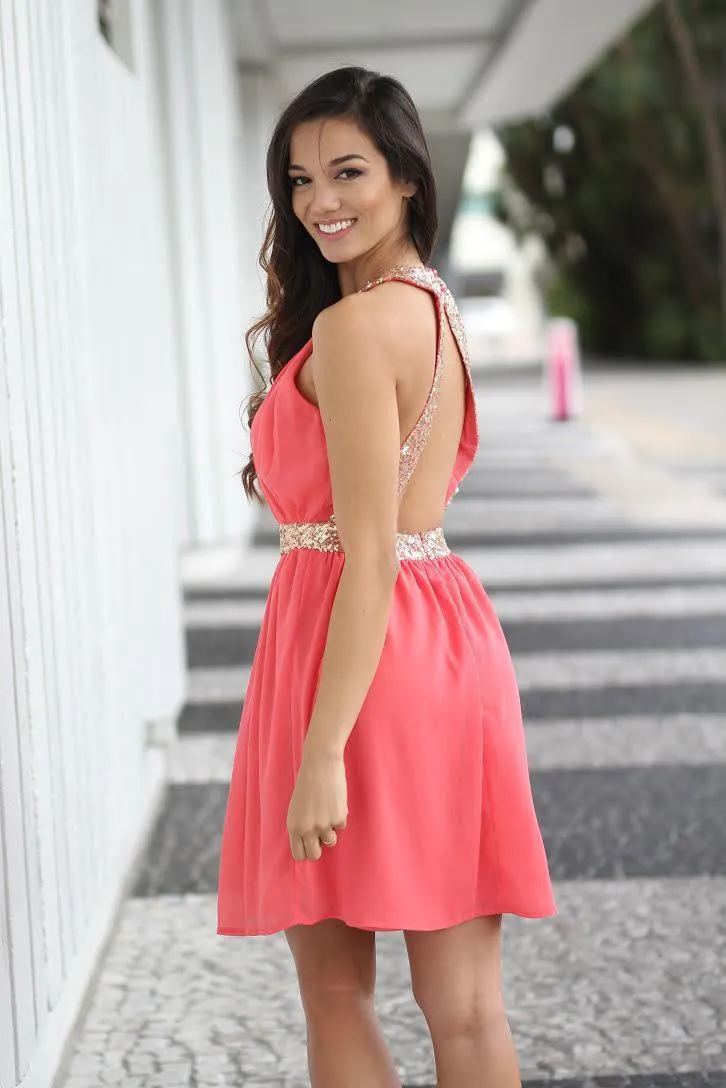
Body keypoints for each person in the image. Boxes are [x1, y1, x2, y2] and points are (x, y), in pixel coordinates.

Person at [217, 65, 556, 1088]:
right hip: (442, 638)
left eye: (349, 171)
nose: (321, 200)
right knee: (464, 1004)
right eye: (300, 177)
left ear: (408, 176)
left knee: (336, 994)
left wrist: (322, 749)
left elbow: (364, 555)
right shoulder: (432, 307)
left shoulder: (357, 325)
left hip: (355, 659)